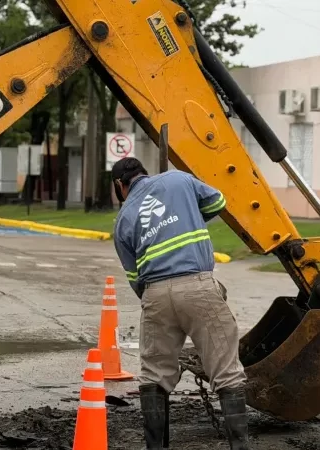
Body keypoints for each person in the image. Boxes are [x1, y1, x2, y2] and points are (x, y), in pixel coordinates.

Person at [111, 157, 248, 450]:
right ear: (143, 173)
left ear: (120, 186)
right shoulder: (178, 180)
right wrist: (186, 213)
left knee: (154, 375)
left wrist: (156, 301)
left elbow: (135, 277)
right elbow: (218, 203)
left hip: (155, 294)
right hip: (197, 286)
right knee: (227, 371)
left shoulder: (123, 218)